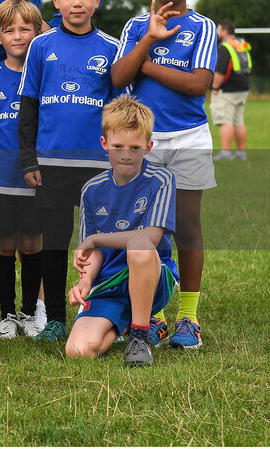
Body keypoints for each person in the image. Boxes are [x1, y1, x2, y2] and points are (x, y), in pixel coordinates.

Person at [111, 0, 216, 349]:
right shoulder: (136, 27)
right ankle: (151, 315)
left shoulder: (202, 27)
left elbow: (197, 84)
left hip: (189, 138)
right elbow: (119, 78)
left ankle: (188, 317)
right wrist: (148, 41)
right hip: (144, 142)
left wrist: (147, 64)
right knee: (147, 230)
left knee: (187, 226)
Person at [17, 0, 120, 344]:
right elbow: (28, 108)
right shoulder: (41, 46)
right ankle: (57, 318)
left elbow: (118, 113)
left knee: (103, 241)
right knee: (56, 242)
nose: (77, 2)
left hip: (97, 166)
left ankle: (104, 311)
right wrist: (29, 159)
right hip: (52, 165)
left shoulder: (111, 48)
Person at [65, 96, 179, 367]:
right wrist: (85, 280)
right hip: (110, 283)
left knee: (138, 246)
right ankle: (126, 326)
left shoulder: (162, 180)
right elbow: (92, 253)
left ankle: (140, 338)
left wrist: (94, 238)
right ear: (104, 144)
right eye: (118, 146)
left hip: (153, 277)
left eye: (135, 147)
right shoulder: (92, 189)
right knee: (78, 351)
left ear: (148, 147)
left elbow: (150, 238)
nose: (126, 154)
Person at [0, 0, 45, 339]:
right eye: (10, 30)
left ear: (38, 33)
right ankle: (7, 314)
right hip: (1, 179)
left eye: (25, 28)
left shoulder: (45, 76)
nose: (18, 36)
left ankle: (30, 311)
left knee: (33, 244)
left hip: (35, 178)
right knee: (5, 245)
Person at [211, 20, 252, 161]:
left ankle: (225, 153)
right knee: (238, 121)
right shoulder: (242, 44)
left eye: (218, 29)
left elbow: (220, 71)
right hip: (243, 87)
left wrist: (214, 88)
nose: (217, 32)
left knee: (225, 121)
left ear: (224, 30)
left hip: (227, 89)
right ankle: (241, 153)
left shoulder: (224, 47)